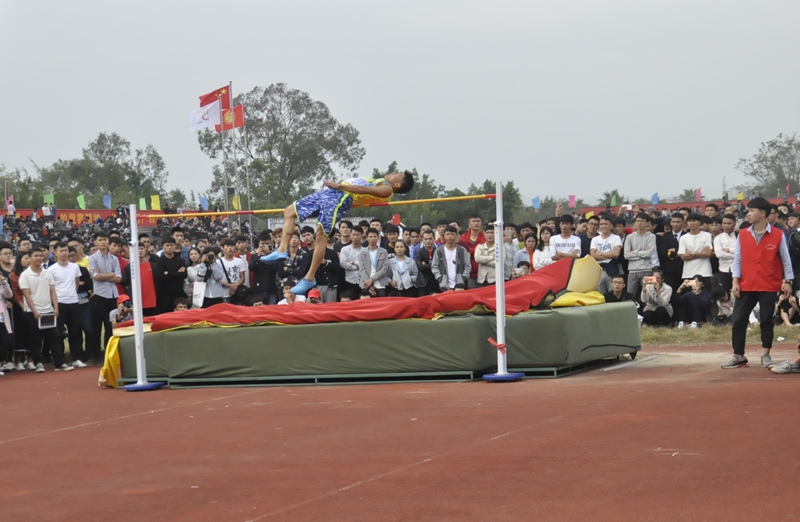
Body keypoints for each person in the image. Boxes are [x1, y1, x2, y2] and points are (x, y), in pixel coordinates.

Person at [259, 171, 415, 295]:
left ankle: (310, 277)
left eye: (397, 174)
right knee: (289, 211)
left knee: (321, 233)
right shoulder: (378, 180)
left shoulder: (387, 189)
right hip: (329, 193)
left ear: (396, 184)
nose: (393, 172)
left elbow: (364, 189)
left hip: (340, 197)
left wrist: (339, 186)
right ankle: (281, 250)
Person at [723, 198, 794, 369]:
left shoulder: (777, 234)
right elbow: (738, 259)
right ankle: (738, 355)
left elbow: (785, 259)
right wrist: (735, 280)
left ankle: (766, 353)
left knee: (766, 319)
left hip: (769, 283)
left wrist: (787, 281)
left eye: (751, 211)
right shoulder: (743, 234)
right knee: (738, 319)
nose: (748, 214)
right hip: (746, 283)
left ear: (762, 214)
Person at [19, 247, 73, 372]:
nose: (39, 258)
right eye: (36, 256)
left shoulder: (47, 273)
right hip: (32, 312)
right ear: (30, 258)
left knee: (55, 337)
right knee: (36, 339)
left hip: (48, 310)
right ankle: (38, 363)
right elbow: (27, 295)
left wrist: (56, 308)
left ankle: (59, 363)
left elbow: (53, 291)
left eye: (40, 255)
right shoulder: (25, 275)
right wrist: (34, 311)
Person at [48, 242, 88, 367]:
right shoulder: (51, 269)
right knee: (58, 333)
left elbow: (76, 283)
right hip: (59, 303)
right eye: (61, 251)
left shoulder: (74, 267)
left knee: (75, 332)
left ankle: (77, 358)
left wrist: (71, 294)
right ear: (55, 253)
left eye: (65, 250)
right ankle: (60, 360)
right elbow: (50, 288)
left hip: (73, 302)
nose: (64, 253)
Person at [87, 231, 121, 366]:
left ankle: (109, 354)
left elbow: (119, 278)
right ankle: (95, 355)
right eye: (100, 240)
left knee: (110, 326)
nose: (103, 242)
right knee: (96, 327)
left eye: (105, 239)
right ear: (95, 242)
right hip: (99, 295)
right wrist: (111, 274)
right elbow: (95, 277)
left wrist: (104, 275)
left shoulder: (114, 259)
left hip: (113, 295)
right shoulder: (92, 258)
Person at [624, 212, 656, 299]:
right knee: (630, 296)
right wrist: (642, 253)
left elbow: (649, 254)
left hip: (647, 270)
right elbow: (626, 255)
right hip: (632, 270)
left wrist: (634, 252)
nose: (639, 223)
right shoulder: (629, 237)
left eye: (642, 221)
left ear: (647, 223)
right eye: (637, 221)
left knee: (648, 296)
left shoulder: (651, 236)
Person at [431, 226, 471, 292]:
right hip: (443, 284)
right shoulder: (438, 251)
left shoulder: (462, 250)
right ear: (444, 236)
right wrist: (439, 278)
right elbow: (434, 266)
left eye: (452, 234)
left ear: (457, 236)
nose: (450, 236)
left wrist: (463, 277)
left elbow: (467, 266)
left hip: (459, 285)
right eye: (447, 234)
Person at [590, 215, 623, 294]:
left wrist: (600, 253)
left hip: (612, 269)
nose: (603, 226)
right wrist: (609, 255)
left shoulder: (616, 238)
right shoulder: (595, 239)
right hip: (599, 270)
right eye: (601, 224)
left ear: (611, 226)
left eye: (605, 224)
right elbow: (593, 255)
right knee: (600, 294)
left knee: (613, 293)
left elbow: (616, 254)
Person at [156, 236, 187, 312]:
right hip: (164, 295)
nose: (169, 247)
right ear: (163, 247)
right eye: (167, 245)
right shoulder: (159, 261)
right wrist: (176, 273)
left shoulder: (180, 260)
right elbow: (160, 277)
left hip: (178, 294)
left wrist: (168, 273)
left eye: (171, 245)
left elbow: (183, 275)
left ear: (175, 246)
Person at [358, 229, 390, 297]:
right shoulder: (362, 253)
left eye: (374, 236)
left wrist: (372, 279)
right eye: (370, 237)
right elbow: (362, 269)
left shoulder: (383, 252)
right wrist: (369, 283)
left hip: (380, 283)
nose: (372, 238)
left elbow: (384, 268)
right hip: (366, 283)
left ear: (378, 237)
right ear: (367, 238)